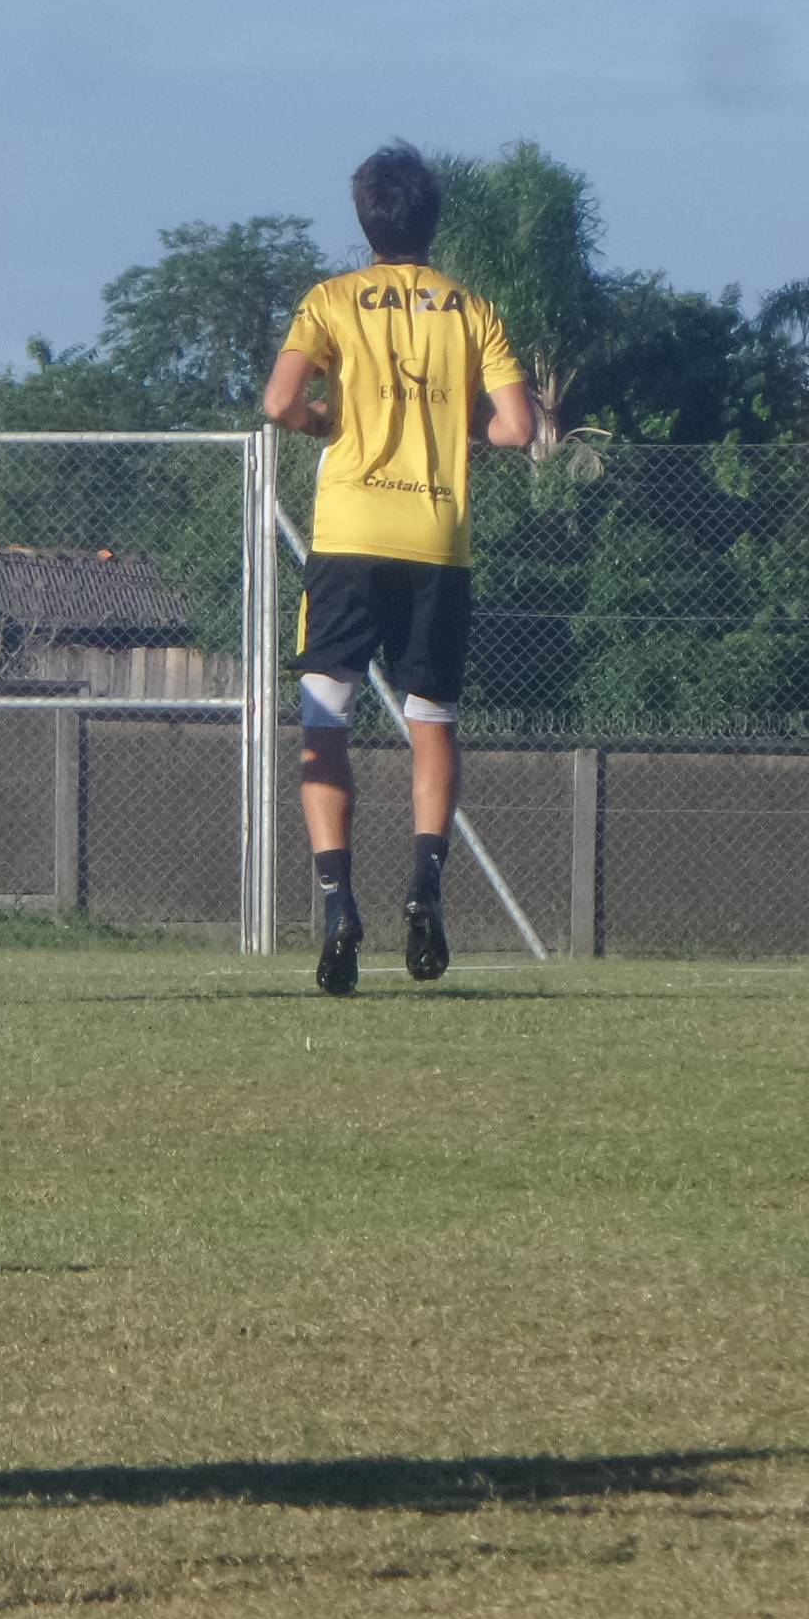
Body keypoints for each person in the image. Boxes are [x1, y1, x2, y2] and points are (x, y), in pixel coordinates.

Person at [261, 143, 538, 995]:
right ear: (432, 218)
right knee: (431, 718)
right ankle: (425, 880)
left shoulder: (331, 299)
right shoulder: (470, 310)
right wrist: (454, 436)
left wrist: (323, 423)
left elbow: (278, 403)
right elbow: (518, 430)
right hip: (435, 541)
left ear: (364, 219)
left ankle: (339, 900)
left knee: (325, 721)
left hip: (347, 534)